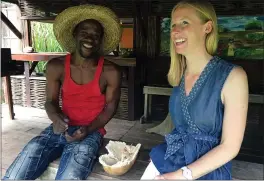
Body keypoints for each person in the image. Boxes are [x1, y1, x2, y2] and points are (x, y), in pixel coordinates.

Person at [3, 4, 122, 180]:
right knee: (26, 159)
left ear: (100, 41)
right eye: (84, 32)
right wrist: (56, 118)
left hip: (90, 132)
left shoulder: (110, 71)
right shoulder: (56, 66)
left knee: (70, 174)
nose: (90, 38)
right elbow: (50, 101)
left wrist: (88, 129)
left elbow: (110, 108)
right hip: (59, 128)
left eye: (96, 35)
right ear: (74, 34)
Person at [141, 0, 248, 180]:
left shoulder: (233, 76)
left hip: (207, 171)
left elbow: (230, 146)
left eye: (185, 23)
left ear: (207, 28)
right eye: (173, 24)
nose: (175, 30)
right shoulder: (179, 76)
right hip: (171, 159)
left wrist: (182, 175)